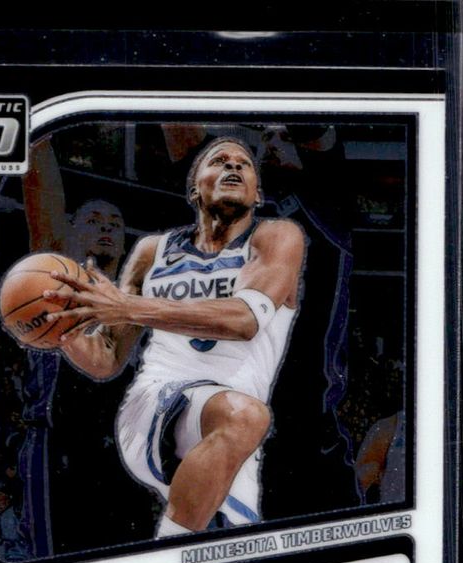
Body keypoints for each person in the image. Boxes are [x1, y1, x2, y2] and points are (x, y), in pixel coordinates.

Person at [43, 137, 306, 537]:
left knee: (232, 548)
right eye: (219, 160)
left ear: (258, 194)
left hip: (229, 425)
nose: (233, 166)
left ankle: (172, 556)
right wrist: (59, 328)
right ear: (195, 189)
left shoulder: (276, 238)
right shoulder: (153, 250)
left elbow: (244, 320)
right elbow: (107, 358)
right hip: (155, 402)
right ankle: (168, 553)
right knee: (246, 415)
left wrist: (128, 306)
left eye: (244, 164)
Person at [14, 137, 153, 558]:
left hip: (124, 452)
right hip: (60, 445)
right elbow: (44, 207)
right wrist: (38, 141)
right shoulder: (53, 279)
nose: (107, 227)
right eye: (94, 220)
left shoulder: (136, 302)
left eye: (115, 223)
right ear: (71, 231)